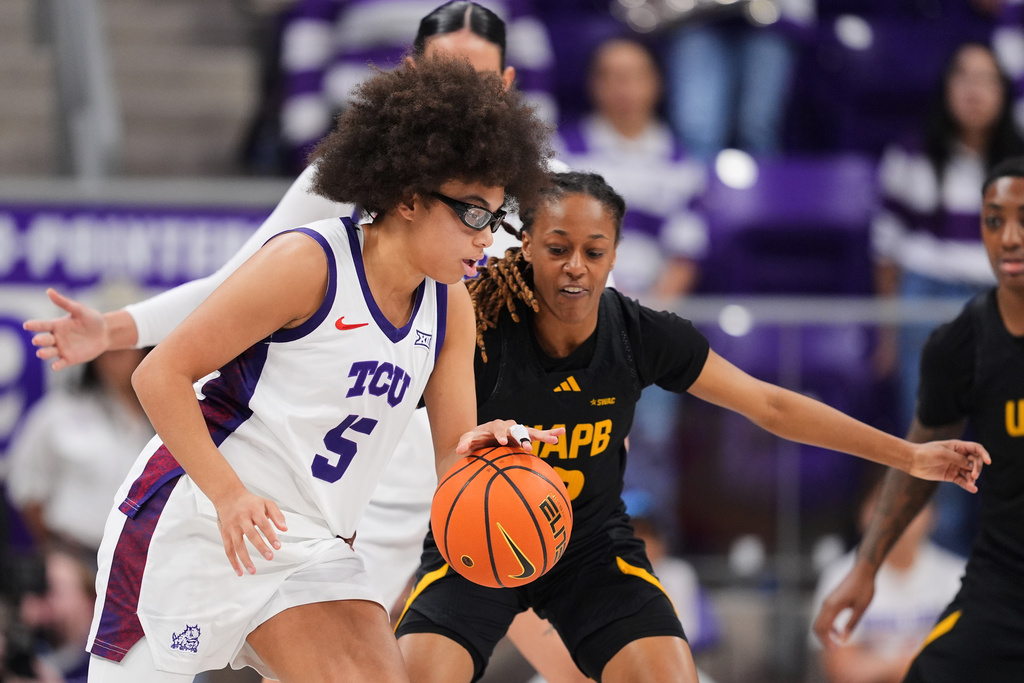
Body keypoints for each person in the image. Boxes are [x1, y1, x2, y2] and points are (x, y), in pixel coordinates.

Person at [394, 171, 988, 683]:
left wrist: (909, 456)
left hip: (589, 551)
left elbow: (771, 405)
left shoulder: (639, 334)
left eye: (594, 251)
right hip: (477, 542)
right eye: (557, 248)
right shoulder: (474, 325)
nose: (576, 266)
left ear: (615, 255)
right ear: (525, 245)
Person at [81, 55, 555, 682]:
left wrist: (486, 455)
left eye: (495, 218)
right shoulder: (310, 264)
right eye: (472, 213)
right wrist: (228, 495)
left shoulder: (450, 308)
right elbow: (158, 375)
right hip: (198, 513)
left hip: (309, 545)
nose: (486, 237)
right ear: (409, 198)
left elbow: (451, 460)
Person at [812, 156, 1024, 682]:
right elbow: (918, 464)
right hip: (1004, 584)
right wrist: (866, 567)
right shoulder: (960, 344)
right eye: (994, 220)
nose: (1010, 238)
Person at [872, 41, 1024, 556]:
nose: (974, 91)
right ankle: (938, 565)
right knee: (935, 441)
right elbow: (887, 251)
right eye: (964, 77)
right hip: (925, 302)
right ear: (946, 88)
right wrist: (888, 332)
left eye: (987, 79)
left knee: (1009, 435)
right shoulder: (911, 155)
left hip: (1004, 300)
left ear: (1003, 92)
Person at [807, 475, 965, 683]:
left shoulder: (957, 574)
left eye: (911, 505)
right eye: (886, 504)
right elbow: (842, 670)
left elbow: (969, 658)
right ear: (864, 512)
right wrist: (911, 665)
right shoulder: (841, 578)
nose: (899, 517)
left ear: (932, 513)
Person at [4, 346, 153, 565]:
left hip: (144, 559)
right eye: (110, 351)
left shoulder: (167, 413)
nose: (116, 359)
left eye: (126, 349)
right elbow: (27, 485)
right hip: (75, 555)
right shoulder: (61, 411)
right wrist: (55, 550)